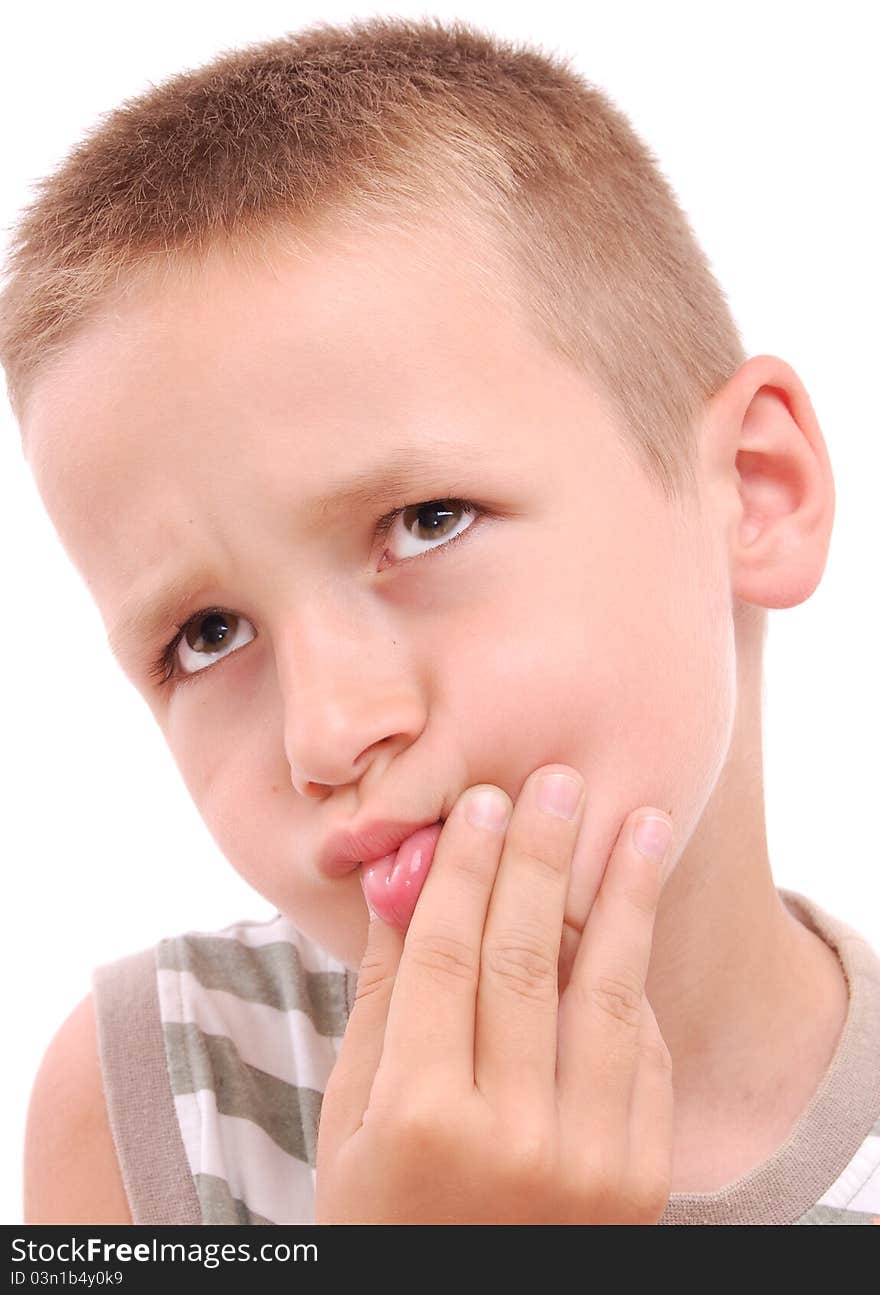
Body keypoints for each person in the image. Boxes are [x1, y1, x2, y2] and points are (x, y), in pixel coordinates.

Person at [4, 15, 878, 1226]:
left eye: (424, 520)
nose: (326, 733)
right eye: (206, 633)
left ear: (756, 492)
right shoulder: (156, 1095)